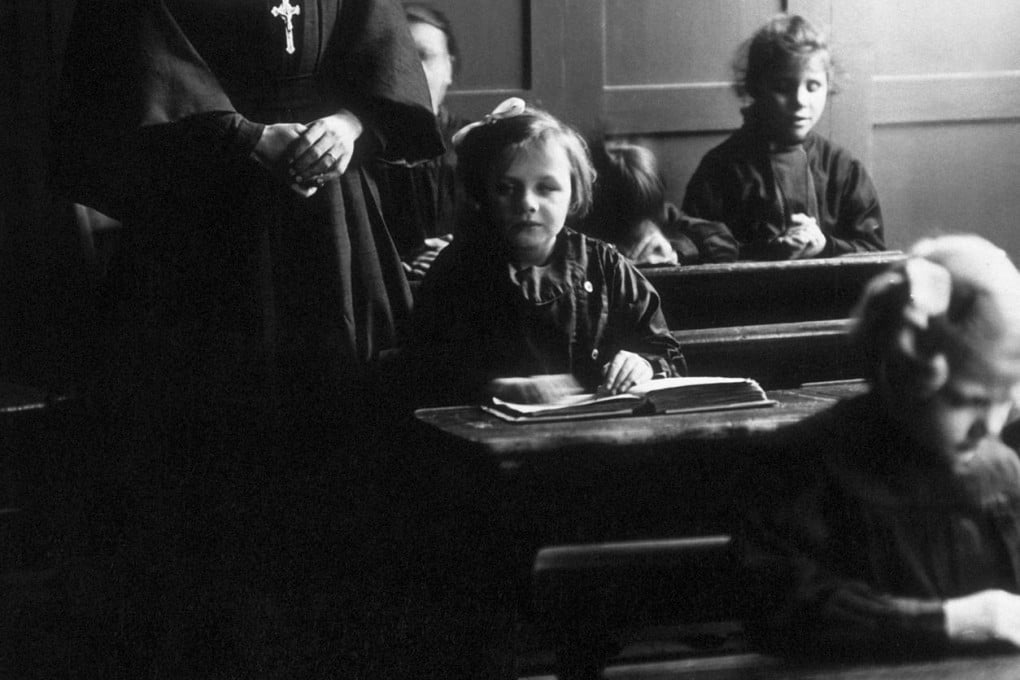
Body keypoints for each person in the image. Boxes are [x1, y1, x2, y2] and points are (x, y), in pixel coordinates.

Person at [53, 1, 442, 676]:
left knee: (344, 454)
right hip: (201, 236)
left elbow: (381, 73)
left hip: (331, 231)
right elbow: (124, 83)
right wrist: (240, 137)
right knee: (212, 464)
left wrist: (348, 126)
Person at [736, 234, 1020, 657]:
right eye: (969, 401)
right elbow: (782, 608)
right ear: (907, 374)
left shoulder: (1002, 472)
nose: (990, 426)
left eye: (1005, 401)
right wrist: (956, 621)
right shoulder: (807, 463)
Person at [406, 99, 685, 407]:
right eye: (506, 188)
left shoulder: (606, 267)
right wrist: (497, 388)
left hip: (599, 434)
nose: (527, 203)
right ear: (483, 194)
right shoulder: (458, 271)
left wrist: (643, 365)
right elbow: (427, 370)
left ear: (574, 193)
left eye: (547, 188)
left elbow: (664, 352)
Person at [682, 14, 885, 261]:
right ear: (756, 87)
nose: (800, 101)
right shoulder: (720, 168)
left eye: (812, 86)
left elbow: (874, 253)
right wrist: (770, 251)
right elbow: (698, 255)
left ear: (828, 86)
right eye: (783, 87)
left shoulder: (844, 168)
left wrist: (825, 246)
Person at [376, 2, 471, 279]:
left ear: (449, 68)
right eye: (398, 57)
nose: (412, 73)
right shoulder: (361, 154)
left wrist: (457, 255)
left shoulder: (480, 144)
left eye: (424, 56)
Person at [586, 141, 735, 265]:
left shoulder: (666, 216)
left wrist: (675, 253)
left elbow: (724, 241)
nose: (641, 226)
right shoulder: (591, 227)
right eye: (633, 216)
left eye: (646, 214)